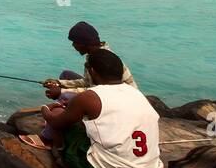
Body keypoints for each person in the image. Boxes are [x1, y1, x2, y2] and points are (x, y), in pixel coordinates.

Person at [42, 49, 162, 168]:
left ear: (92, 71)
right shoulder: (137, 93)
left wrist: (46, 111)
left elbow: (56, 122)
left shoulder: (89, 97)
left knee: (60, 117)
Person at [18, 21, 135, 150]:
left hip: (116, 98)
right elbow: (87, 82)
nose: (73, 46)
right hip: (106, 91)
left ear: (84, 43)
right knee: (66, 74)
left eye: (74, 42)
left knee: (65, 97)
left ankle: (49, 137)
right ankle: (67, 114)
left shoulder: (100, 60)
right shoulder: (95, 54)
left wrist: (61, 92)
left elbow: (95, 91)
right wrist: (59, 83)